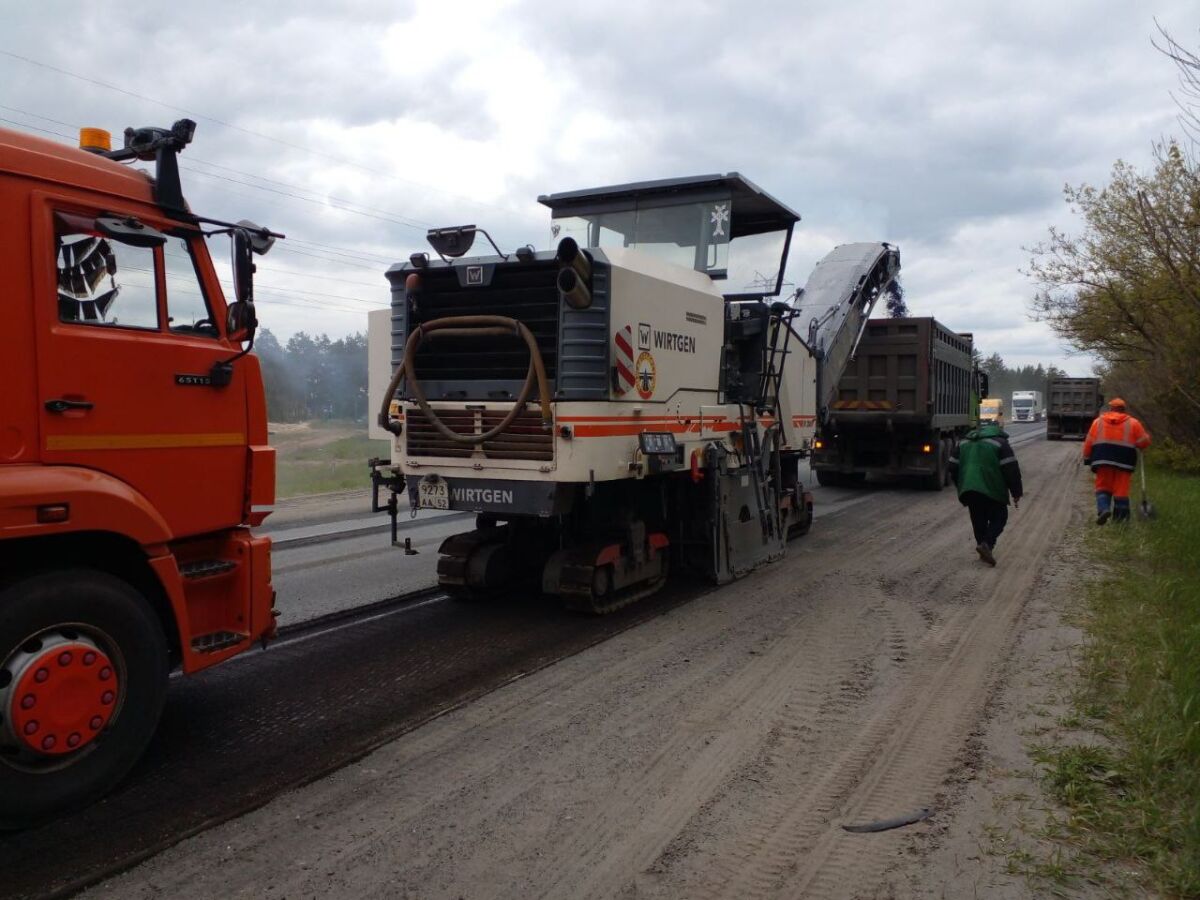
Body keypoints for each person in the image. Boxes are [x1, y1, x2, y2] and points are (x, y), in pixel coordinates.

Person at [949, 421, 1024, 566]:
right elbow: (1011, 470)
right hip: (992, 488)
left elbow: (952, 466)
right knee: (1000, 517)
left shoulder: (963, 442)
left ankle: (983, 547)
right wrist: (1016, 492)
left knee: (978, 519)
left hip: (969, 489)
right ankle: (987, 545)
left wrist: (960, 483)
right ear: (997, 430)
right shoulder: (1001, 443)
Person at [1083, 398, 1151, 524]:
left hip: (1102, 460)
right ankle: (1121, 521)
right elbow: (1145, 441)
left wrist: (1087, 457)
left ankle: (1104, 509)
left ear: (1110, 409)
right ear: (1124, 409)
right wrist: (1136, 443)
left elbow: (1089, 442)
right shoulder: (1133, 423)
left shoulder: (1098, 422)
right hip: (1124, 461)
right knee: (1121, 490)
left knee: (1103, 487)